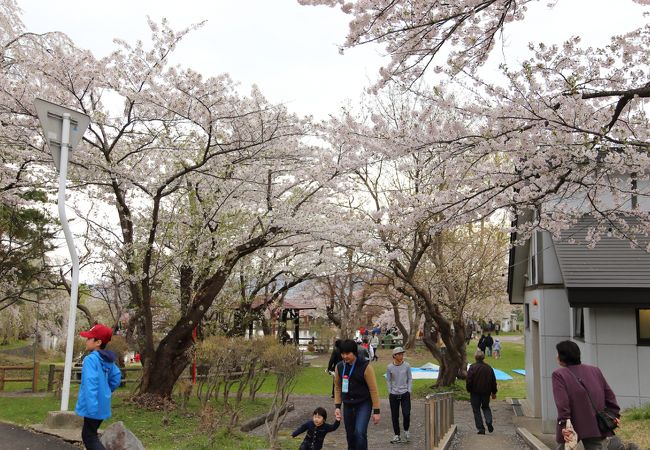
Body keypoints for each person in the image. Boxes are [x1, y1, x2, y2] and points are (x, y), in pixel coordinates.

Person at [552, 340, 621, 450]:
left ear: (563, 356)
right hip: (595, 424)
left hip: (572, 424)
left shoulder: (559, 374)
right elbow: (609, 395)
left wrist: (564, 423)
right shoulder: (595, 370)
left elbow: (562, 402)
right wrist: (614, 414)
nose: (556, 356)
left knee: (565, 447)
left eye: (558, 353)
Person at [75, 323, 123, 450]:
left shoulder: (90, 360)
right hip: (102, 404)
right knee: (91, 434)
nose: (86, 340)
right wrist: (106, 391)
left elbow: (90, 384)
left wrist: (91, 408)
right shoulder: (107, 359)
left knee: (89, 436)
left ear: (98, 342)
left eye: (89, 338)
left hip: (93, 406)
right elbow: (116, 377)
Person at [334, 339, 381, 450]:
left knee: (360, 433)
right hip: (348, 404)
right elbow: (338, 387)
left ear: (354, 352)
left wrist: (376, 411)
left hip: (363, 403)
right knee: (350, 435)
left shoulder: (365, 366)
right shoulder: (339, 367)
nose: (345, 356)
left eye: (347, 353)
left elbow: (373, 389)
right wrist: (337, 406)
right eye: (342, 354)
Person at [466, 350, 497, 435]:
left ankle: (481, 428)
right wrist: (494, 392)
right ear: (483, 357)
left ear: (475, 358)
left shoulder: (472, 367)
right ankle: (489, 421)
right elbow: (493, 381)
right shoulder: (489, 368)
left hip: (475, 392)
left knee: (476, 409)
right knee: (486, 407)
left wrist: (469, 389)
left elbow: (469, 380)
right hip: (486, 392)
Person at [386, 347, 412, 444]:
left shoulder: (407, 366)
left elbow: (410, 378)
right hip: (393, 394)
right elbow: (388, 380)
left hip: (405, 393)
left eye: (402, 354)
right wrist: (390, 391)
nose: (401, 356)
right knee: (394, 415)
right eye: (399, 354)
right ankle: (397, 435)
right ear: (394, 356)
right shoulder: (389, 367)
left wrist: (409, 390)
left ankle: (406, 430)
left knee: (406, 413)